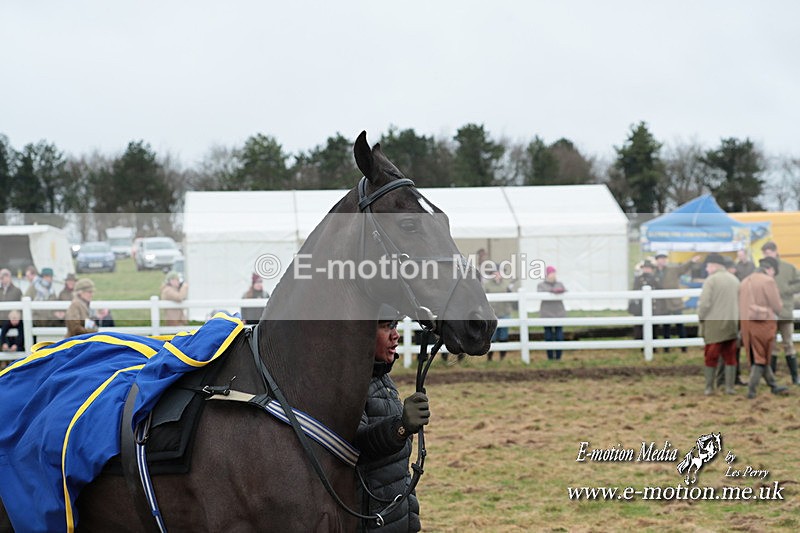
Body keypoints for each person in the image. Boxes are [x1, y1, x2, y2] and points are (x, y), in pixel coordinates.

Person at [355, 305, 429, 532]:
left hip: (397, 512)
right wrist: (401, 427)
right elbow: (357, 446)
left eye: (395, 326)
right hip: (371, 518)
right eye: (386, 327)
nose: (395, 335)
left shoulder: (382, 379)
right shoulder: (352, 384)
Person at [739, 257, 788, 399]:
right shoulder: (768, 281)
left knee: (757, 355)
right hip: (762, 322)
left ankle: (773, 385)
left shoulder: (745, 281)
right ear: (770, 269)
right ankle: (751, 390)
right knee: (761, 357)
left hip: (746, 323)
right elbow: (777, 305)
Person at [697, 254, 740, 395]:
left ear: (714, 265)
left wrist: (701, 317)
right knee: (730, 357)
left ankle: (709, 387)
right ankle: (729, 387)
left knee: (711, 356)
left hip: (714, 324)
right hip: (732, 323)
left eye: (708, 266)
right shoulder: (735, 280)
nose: (707, 269)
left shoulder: (711, 280)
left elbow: (704, 304)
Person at [760, 241, 800, 384]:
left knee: (788, 343)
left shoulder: (788, 268)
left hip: (785, 312)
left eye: (769, 252)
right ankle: (772, 377)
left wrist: (786, 290)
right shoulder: (760, 269)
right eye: (765, 253)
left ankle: (795, 377)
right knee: (771, 346)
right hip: (768, 313)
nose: (767, 255)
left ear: (776, 251)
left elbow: (799, 282)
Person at [653, 252, 701, 352]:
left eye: (664, 258)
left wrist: (691, 261)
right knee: (666, 326)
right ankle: (667, 348)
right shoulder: (654, 272)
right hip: (663, 303)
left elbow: (683, 268)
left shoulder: (672, 270)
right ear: (657, 260)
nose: (662, 260)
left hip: (674, 302)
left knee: (680, 324)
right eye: (660, 258)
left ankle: (683, 347)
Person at [483, 264, 515, 361]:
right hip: (492, 314)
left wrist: (510, 291)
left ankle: (502, 357)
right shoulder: (487, 285)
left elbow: (512, 298)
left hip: (504, 313)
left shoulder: (507, 284)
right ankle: (489, 358)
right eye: (495, 272)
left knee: (503, 336)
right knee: (492, 337)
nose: (497, 274)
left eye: (499, 272)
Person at [538, 265, 567, 360]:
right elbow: (540, 293)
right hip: (547, 313)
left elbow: (566, 292)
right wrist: (552, 291)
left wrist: (559, 291)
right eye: (551, 273)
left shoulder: (560, 284)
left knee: (559, 336)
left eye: (554, 273)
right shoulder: (541, 285)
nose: (553, 275)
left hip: (559, 313)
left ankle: (558, 357)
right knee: (548, 336)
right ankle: (550, 357)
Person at [630, 260, 660, 340]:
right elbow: (634, 290)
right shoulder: (638, 279)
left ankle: (653, 342)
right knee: (640, 325)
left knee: (653, 325)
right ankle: (640, 341)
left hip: (653, 305)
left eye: (648, 268)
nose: (647, 270)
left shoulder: (655, 279)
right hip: (640, 305)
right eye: (645, 268)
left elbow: (659, 290)